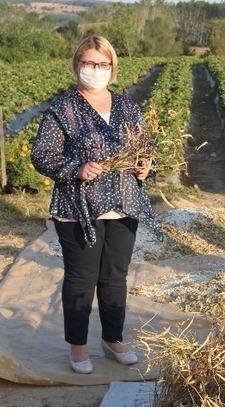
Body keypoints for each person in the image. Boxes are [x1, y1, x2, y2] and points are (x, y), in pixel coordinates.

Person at [32, 36, 163, 374]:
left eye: (102, 64)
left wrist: (146, 163)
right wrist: (76, 169)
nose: (95, 70)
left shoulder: (127, 106)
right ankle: (78, 346)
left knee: (115, 276)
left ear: (112, 68)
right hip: (79, 207)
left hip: (123, 202)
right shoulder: (63, 109)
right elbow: (42, 155)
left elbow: (146, 145)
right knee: (81, 277)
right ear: (77, 65)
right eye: (89, 63)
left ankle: (112, 338)